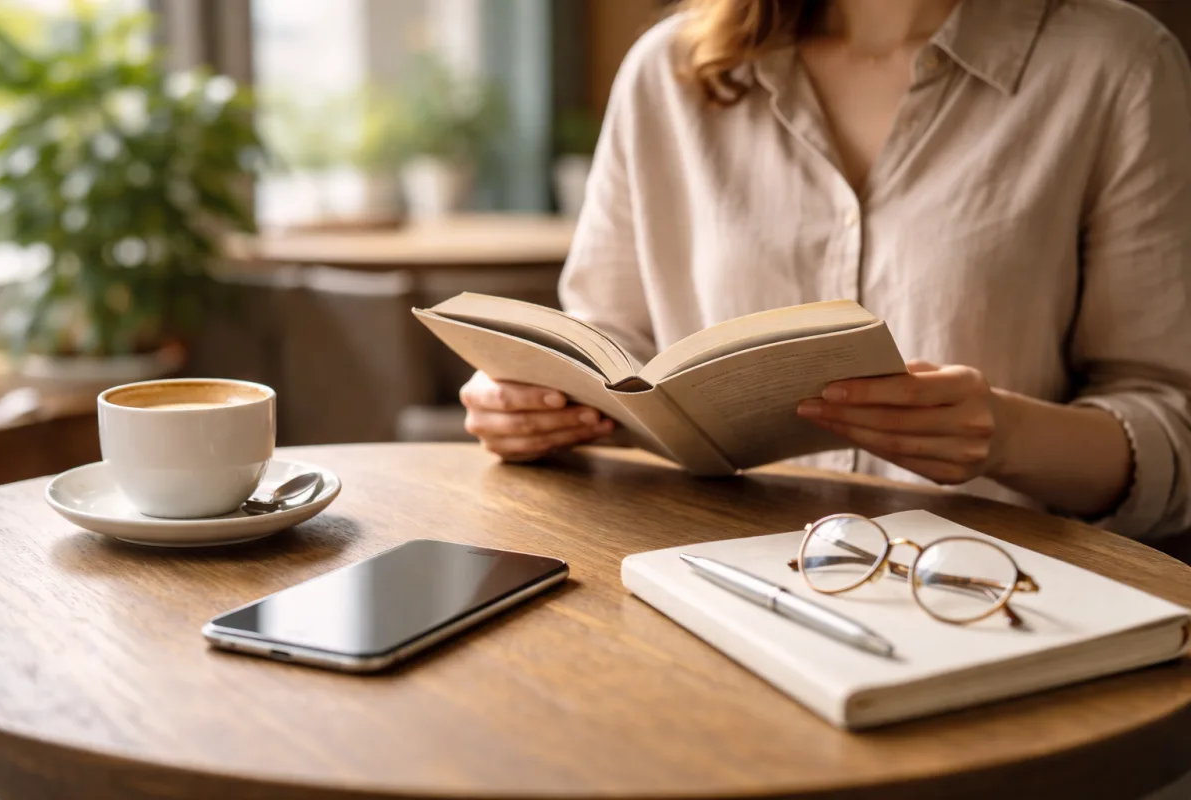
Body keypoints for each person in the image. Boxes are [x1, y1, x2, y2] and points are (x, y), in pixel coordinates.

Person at [461, 0, 1191, 542]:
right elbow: (604, 347)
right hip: (703, 584)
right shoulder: (668, 72)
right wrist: (528, 403)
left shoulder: (1114, 64)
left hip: (983, 595)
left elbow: (1172, 432)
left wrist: (1006, 437)